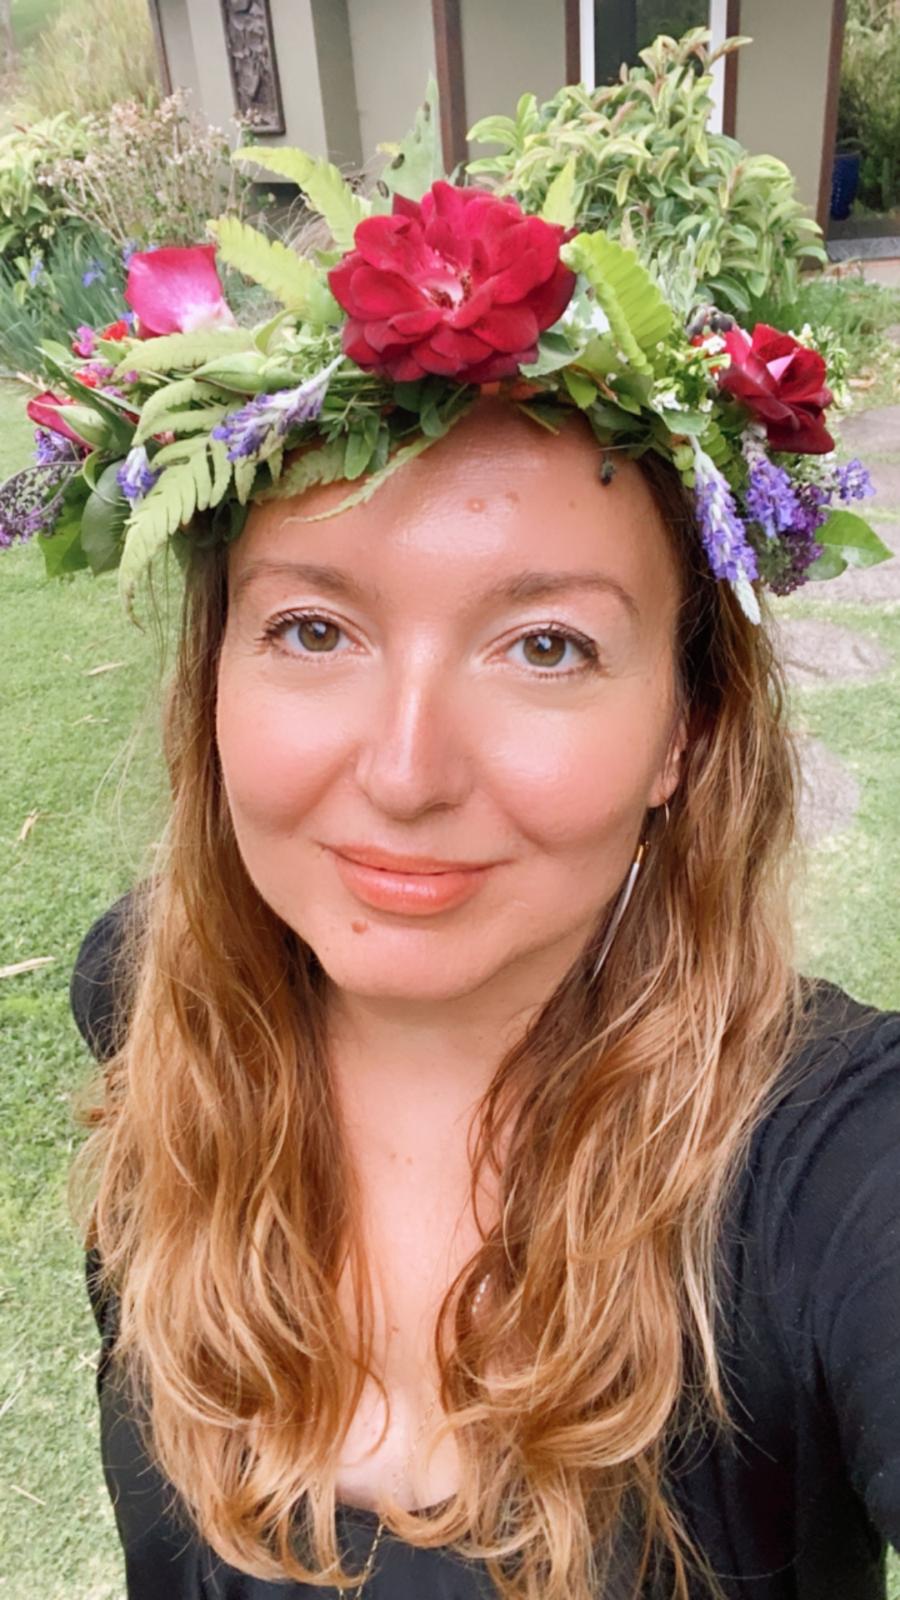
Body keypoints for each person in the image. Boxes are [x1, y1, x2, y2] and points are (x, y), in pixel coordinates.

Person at [6, 102, 896, 1600]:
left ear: (684, 730)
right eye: (312, 628)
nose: (406, 772)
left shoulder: (827, 1171)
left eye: (544, 645)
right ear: (214, 684)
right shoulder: (153, 1008)